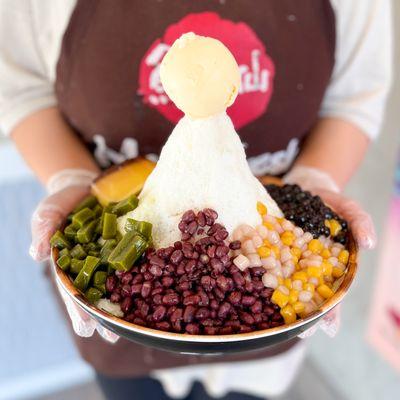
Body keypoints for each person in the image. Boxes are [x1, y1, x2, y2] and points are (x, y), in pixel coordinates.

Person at [0, 0, 392, 399]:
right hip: (119, 335)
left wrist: (313, 180)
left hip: (265, 344)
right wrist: (75, 178)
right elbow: (21, 88)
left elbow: (353, 99)